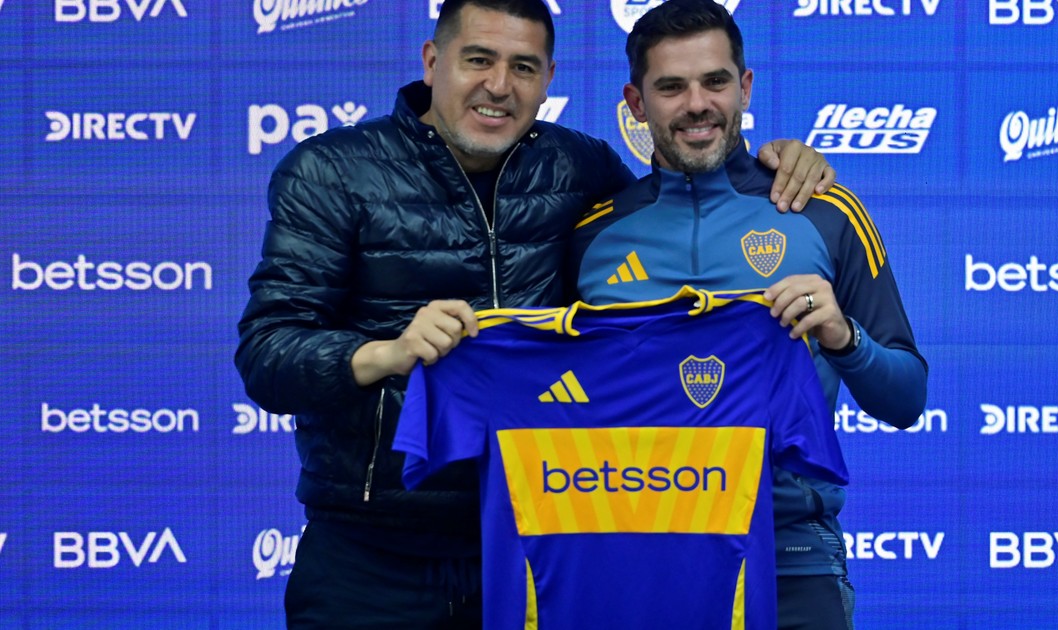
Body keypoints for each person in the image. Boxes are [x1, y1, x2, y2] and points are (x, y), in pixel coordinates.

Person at [234, 0, 835, 627]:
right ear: (432, 62)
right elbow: (268, 355)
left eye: (523, 67)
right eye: (478, 60)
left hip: (543, 544)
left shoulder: (583, 167)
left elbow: (675, 204)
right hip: (371, 554)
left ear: (548, 80)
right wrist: (389, 353)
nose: (499, 85)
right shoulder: (331, 171)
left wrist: (775, 162)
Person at [565, 1, 929, 628]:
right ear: (635, 102)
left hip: (793, 563)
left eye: (716, 81)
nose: (697, 104)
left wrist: (843, 337)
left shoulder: (823, 209)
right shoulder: (591, 236)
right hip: (638, 560)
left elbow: (907, 400)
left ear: (746, 87)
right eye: (671, 87)